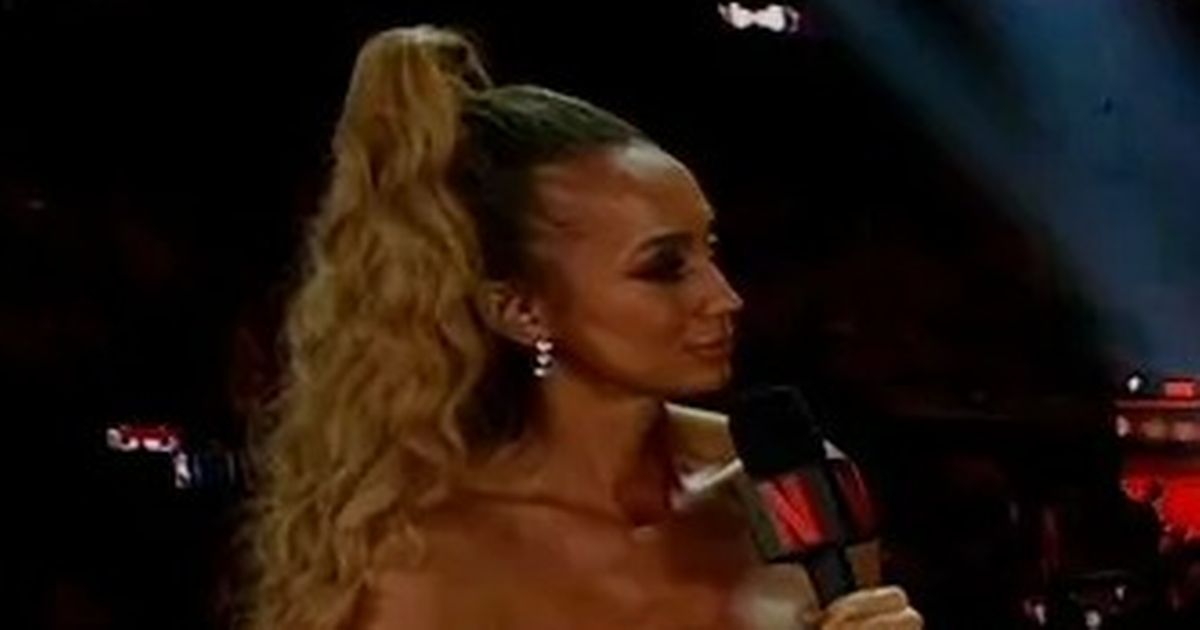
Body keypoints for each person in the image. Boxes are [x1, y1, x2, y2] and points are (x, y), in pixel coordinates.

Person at [243, 25, 922, 630]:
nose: (724, 297)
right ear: (521, 310)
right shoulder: (423, 557)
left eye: (708, 249)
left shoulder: (799, 485)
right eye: (663, 267)